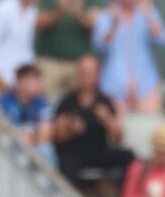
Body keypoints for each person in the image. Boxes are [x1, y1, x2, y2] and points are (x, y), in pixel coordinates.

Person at [53, 54, 133, 185]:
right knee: (67, 162)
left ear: (97, 75)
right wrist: (70, 128)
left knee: (128, 156)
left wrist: (106, 119)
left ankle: (127, 196)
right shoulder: (67, 102)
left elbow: (119, 136)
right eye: (82, 73)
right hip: (75, 154)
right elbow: (57, 136)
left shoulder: (105, 101)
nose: (86, 78)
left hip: (99, 152)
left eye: (90, 74)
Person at [92, 0, 165, 113]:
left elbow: (163, 39)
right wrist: (114, 24)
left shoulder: (148, 12)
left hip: (146, 85)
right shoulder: (107, 14)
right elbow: (99, 46)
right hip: (114, 85)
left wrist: (148, 16)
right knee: (116, 122)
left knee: (150, 121)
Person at [35, 0, 106, 101]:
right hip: (51, 62)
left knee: (77, 102)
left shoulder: (90, 2)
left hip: (77, 65)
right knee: (46, 100)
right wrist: (58, 11)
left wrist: (78, 12)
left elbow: (95, 25)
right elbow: (39, 23)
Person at [0, 64, 57, 165]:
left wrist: (28, 138)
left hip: (32, 146)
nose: (39, 85)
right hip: (9, 145)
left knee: (45, 149)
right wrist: (20, 136)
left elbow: (44, 136)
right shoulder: (4, 100)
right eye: (34, 81)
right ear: (20, 81)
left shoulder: (42, 103)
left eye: (39, 81)